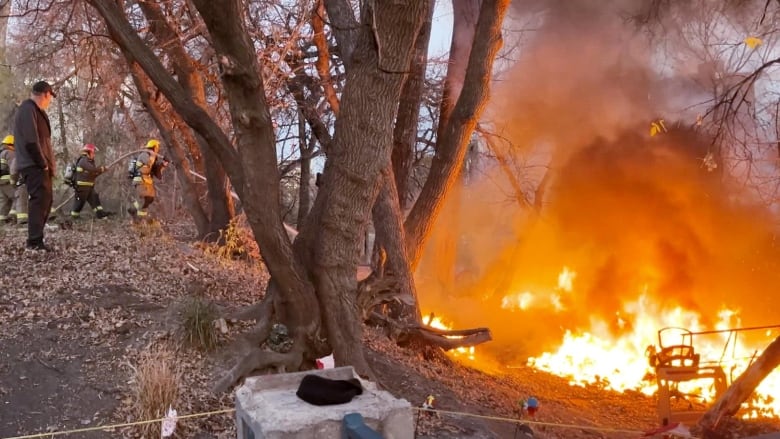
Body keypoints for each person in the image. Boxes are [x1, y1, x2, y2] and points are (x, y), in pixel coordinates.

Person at [13, 80, 55, 251]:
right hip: (34, 165)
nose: (50, 101)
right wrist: (42, 163)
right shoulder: (27, 109)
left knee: (46, 200)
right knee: (39, 200)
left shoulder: (35, 111)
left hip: (39, 165)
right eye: (50, 97)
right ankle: (34, 242)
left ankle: (37, 239)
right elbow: (31, 141)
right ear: (45, 94)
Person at [129, 138, 168, 218]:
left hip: (147, 181)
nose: (158, 150)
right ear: (154, 147)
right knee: (144, 200)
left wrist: (164, 164)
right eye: (157, 148)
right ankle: (140, 219)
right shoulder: (144, 155)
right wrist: (153, 155)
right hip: (140, 180)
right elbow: (149, 163)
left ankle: (133, 209)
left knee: (150, 199)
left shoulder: (152, 157)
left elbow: (156, 170)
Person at [70, 143, 111, 219]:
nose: (94, 155)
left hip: (89, 186)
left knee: (95, 200)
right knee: (79, 204)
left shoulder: (89, 161)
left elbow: (93, 174)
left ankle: (100, 215)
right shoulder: (83, 160)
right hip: (82, 187)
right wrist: (102, 168)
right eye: (93, 153)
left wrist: (102, 170)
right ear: (88, 152)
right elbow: (92, 170)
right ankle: (74, 218)